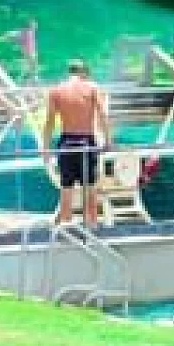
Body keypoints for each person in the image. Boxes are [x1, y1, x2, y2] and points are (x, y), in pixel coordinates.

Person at [42, 60, 111, 227]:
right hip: (86, 140)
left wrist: (45, 148)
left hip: (66, 142)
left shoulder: (56, 90)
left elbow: (50, 121)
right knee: (90, 188)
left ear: (69, 72)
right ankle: (92, 227)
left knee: (66, 189)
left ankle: (66, 229)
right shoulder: (92, 88)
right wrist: (108, 140)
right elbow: (102, 114)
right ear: (84, 73)